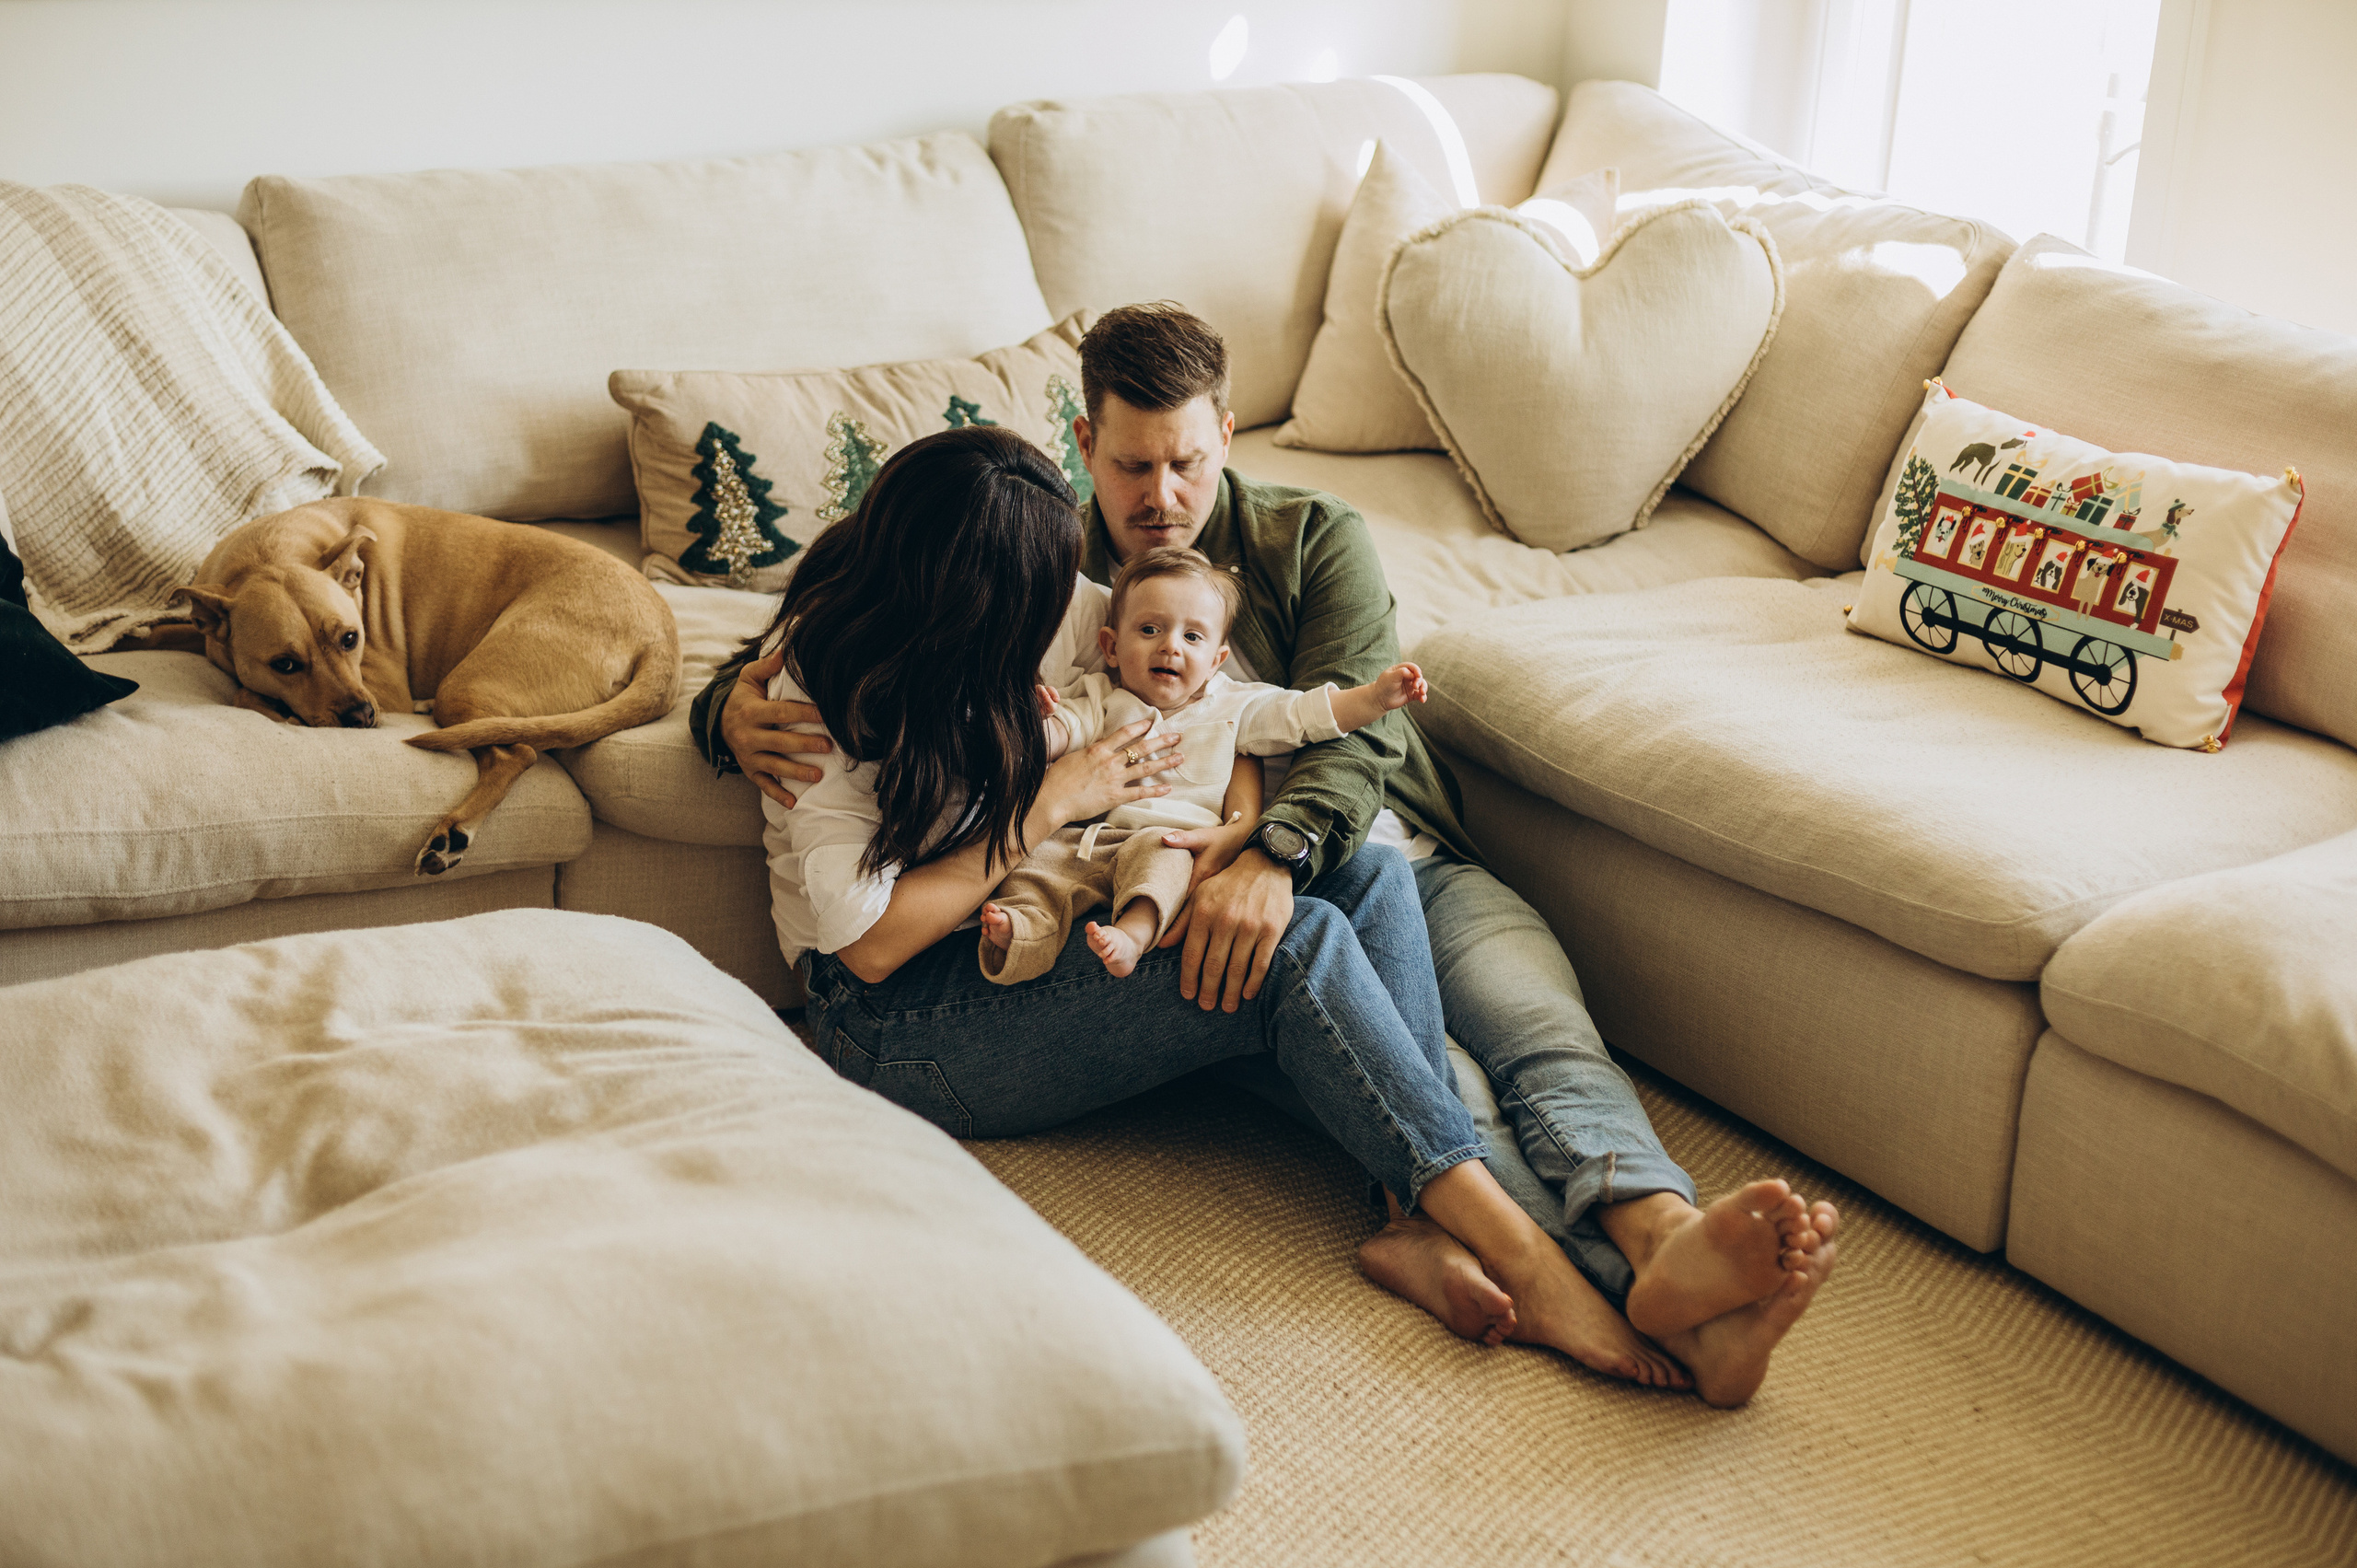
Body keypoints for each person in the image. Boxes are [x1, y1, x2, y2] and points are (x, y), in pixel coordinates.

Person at [702, 308, 1838, 1406]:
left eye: (1186, 463)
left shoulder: (1102, 573)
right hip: (911, 1005)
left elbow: (1279, 720)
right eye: (1131, 470)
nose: (1156, 508)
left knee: (1385, 897)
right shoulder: (923, 625)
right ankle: (1538, 1265)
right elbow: (866, 905)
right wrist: (739, 716)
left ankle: (1477, 1228)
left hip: (1229, 868)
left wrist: (1257, 843)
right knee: (1308, 961)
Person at [980, 543, 1428, 983]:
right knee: (1035, 862)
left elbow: (1300, 717)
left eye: (1192, 636)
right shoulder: (1099, 696)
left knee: (1165, 861)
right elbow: (1061, 733)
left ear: (1216, 661)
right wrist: (1029, 722)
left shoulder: (1234, 706)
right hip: (1085, 840)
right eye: (1150, 630)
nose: (1171, 647)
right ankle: (1022, 935)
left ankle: (1133, 935)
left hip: (1171, 840)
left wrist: (1372, 698)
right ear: (1111, 646)